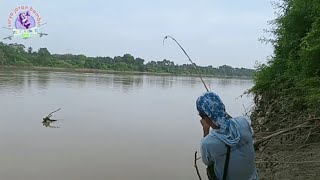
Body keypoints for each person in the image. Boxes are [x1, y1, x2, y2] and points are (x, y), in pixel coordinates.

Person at [196, 92, 258, 180]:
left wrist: (205, 129)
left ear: (205, 118)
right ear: (222, 107)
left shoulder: (207, 143)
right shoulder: (244, 122)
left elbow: (207, 162)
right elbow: (245, 131)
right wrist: (222, 115)